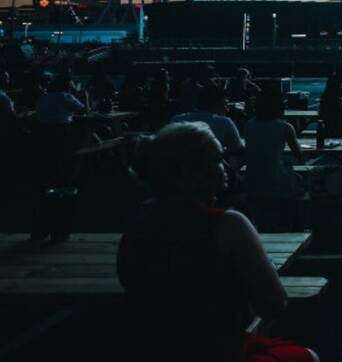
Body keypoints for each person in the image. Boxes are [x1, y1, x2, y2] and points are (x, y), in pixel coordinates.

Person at [118, 122, 319, 362]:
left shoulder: (137, 226)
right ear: (188, 171)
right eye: (216, 159)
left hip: (151, 349)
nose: (225, 166)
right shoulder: (227, 224)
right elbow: (273, 305)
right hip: (217, 350)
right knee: (306, 357)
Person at [243, 87, 304, 230]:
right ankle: (295, 226)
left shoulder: (249, 125)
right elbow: (299, 155)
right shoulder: (285, 127)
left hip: (252, 181)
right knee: (300, 182)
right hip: (277, 182)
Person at [172, 83, 244, 160]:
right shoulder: (223, 122)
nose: (227, 109)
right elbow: (238, 149)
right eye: (225, 104)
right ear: (215, 103)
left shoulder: (177, 119)